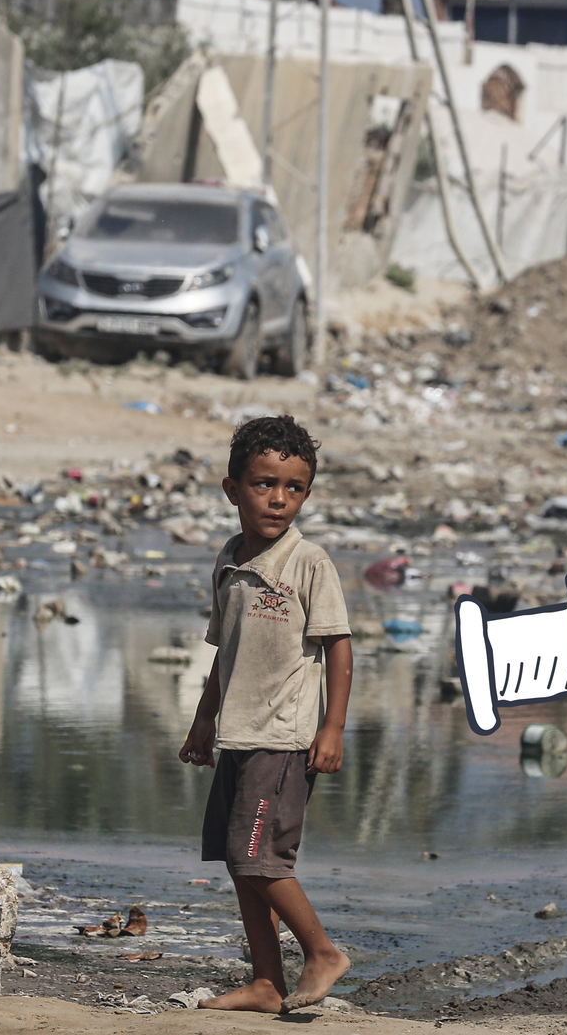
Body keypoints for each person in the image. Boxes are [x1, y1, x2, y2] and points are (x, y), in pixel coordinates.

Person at [179, 415, 355, 1014]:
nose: (279, 499)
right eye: (263, 484)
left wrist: (332, 726)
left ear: (307, 492)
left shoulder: (309, 563)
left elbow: (338, 645)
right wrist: (205, 720)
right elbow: (223, 653)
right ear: (232, 489)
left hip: (284, 737)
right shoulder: (229, 560)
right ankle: (265, 981)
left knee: (258, 856)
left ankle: (322, 951)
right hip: (237, 733)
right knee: (238, 860)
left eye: (294, 487)